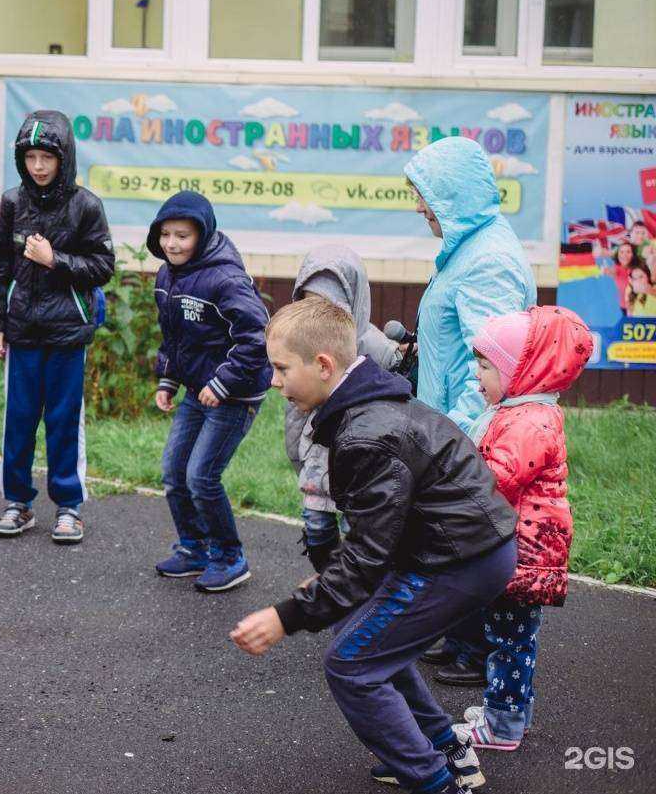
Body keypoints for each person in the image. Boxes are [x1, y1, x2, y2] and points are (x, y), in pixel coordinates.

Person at [232, 296, 516, 794]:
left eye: (280, 368)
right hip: (460, 550)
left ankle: (435, 781)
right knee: (362, 633)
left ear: (323, 366)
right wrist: (330, 585)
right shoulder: (368, 409)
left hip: (459, 561)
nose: (274, 381)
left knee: (351, 664)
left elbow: (368, 555)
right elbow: (376, 535)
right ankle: (446, 749)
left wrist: (286, 616)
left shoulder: (367, 433)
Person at [405, 135, 535, 683]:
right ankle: (462, 640)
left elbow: (495, 364)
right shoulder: (469, 246)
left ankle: (481, 652)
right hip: (449, 420)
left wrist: (454, 430)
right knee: (450, 533)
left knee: (470, 533)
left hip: (468, 426)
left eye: (424, 196)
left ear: (451, 195)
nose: (418, 207)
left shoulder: (489, 262)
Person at [456, 307, 587, 751]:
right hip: (521, 545)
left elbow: (495, 480)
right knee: (512, 637)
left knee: (508, 640)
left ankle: (503, 723)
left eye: (486, 366)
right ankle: (512, 710)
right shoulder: (518, 412)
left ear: (521, 370)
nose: (478, 375)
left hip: (523, 551)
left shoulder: (528, 421)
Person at [0, 110, 114, 545]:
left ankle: (68, 506)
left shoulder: (86, 205)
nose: (39, 166)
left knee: (62, 420)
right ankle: (17, 503)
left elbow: (102, 266)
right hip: (21, 331)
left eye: (47, 158)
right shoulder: (12, 202)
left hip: (67, 332)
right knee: (18, 419)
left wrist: (54, 260)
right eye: (31, 157)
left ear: (64, 158)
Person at [147, 191, 271, 591]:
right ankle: (194, 548)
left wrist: (223, 382)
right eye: (166, 235)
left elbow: (257, 337)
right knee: (174, 472)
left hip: (235, 394)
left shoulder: (225, 278)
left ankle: (230, 556)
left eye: (182, 235)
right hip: (197, 390)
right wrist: (168, 379)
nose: (172, 243)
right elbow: (175, 339)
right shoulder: (167, 276)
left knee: (202, 476)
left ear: (202, 234)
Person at [284, 245, 399, 573]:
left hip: (358, 464)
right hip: (317, 464)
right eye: (310, 304)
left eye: (329, 307)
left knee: (357, 530)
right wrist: (296, 454)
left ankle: (359, 588)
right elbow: (292, 412)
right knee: (317, 528)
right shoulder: (297, 349)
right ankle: (329, 580)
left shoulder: (374, 347)